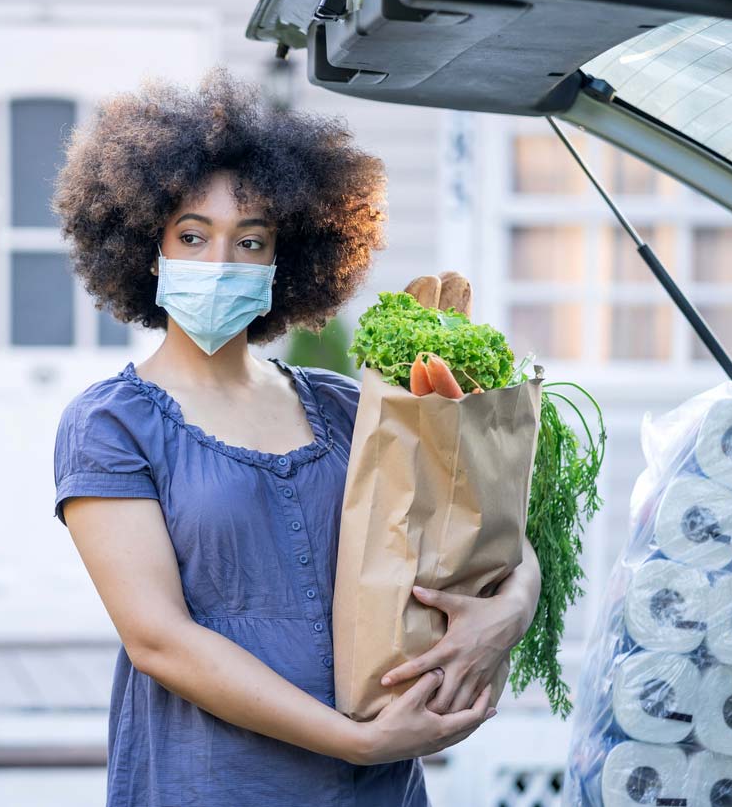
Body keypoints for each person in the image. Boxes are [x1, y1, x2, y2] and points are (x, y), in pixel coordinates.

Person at [50, 66, 541, 806]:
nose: (220, 263)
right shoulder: (114, 424)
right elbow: (159, 640)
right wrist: (356, 741)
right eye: (192, 235)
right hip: (214, 783)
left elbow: (492, 532)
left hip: (373, 788)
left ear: (287, 260)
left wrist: (507, 614)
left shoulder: (349, 407)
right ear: (144, 248)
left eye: (251, 241)